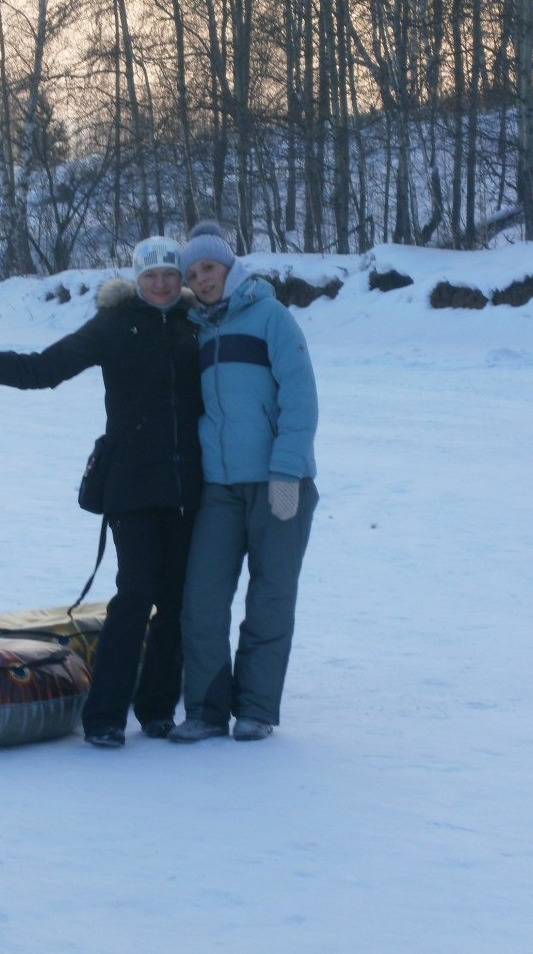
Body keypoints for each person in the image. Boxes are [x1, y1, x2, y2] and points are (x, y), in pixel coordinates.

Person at [0, 237, 203, 749]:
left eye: (170, 274)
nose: (161, 282)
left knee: (180, 603)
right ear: (136, 279)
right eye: (151, 274)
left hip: (190, 488)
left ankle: (159, 708)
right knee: (135, 597)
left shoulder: (195, 326)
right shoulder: (115, 325)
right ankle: (105, 716)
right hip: (133, 487)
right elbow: (43, 370)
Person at [168, 222, 319, 744]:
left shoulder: (271, 316)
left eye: (207, 267)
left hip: (280, 482)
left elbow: (300, 398)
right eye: (192, 273)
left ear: (228, 265)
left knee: (271, 597)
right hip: (220, 488)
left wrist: (287, 472)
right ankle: (207, 710)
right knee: (203, 599)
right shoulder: (199, 328)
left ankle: (255, 709)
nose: (201, 279)